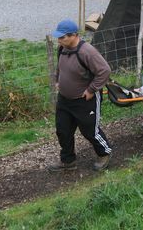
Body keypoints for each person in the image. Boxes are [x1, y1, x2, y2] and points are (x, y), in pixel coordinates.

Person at [49, 19, 113, 172]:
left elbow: (104, 71)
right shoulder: (62, 48)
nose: (59, 40)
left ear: (74, 35)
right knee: (63, 130)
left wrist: (91, 90)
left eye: (62, 37)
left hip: (84, 100)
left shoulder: (87, 52)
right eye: (58, 37)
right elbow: (61, 66)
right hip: (64, 100)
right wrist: (58, 80)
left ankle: (104, 153)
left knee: (90, 131)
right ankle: (68, 161)